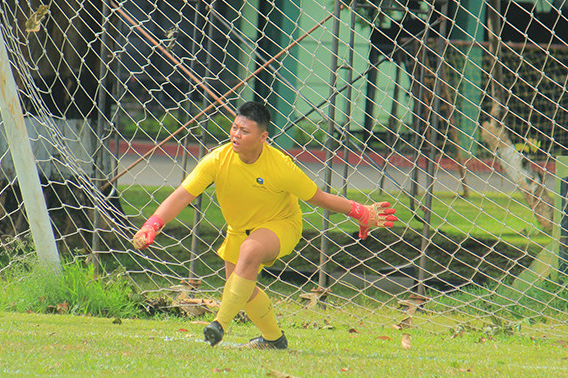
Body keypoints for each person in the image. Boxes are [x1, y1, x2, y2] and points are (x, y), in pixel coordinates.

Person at [132, 100, 396, 349]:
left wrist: (360, 212)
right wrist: (152, 224)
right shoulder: (217, 160)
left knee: (250, 252)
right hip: (239, 230)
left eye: (244, 131)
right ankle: (273, 339)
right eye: (234, 127)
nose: (236, 134)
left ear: (263, 137)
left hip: (281, 225)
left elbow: (318, 197)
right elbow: (182, 195)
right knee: (243, 290)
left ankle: (219, 324)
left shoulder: (281, 166)